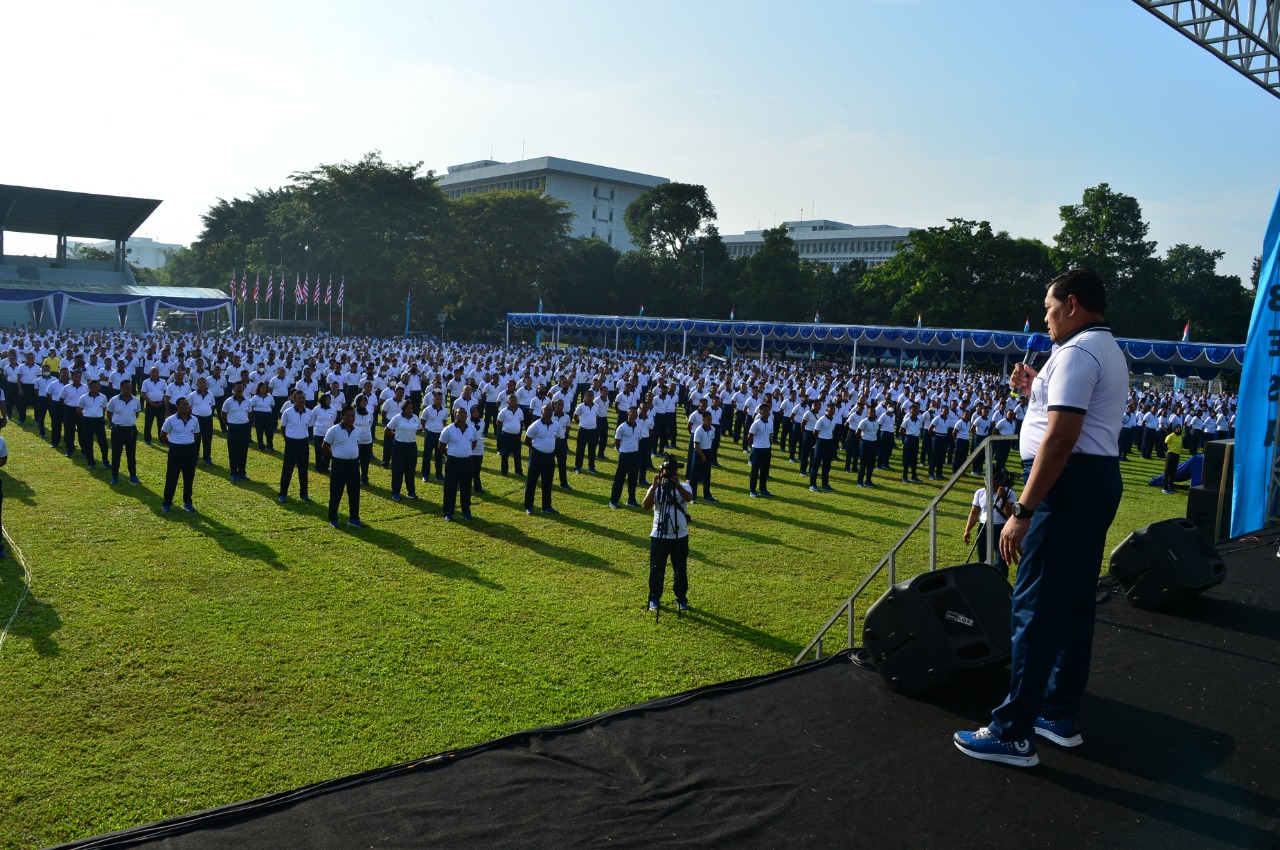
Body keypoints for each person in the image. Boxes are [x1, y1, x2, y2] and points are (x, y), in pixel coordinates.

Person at [954, 269, 1126, 768]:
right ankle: (1058, 713)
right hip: (1091, 481)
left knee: (1033, 607)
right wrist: (1034, 388)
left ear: (1071, 305)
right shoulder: (1102, 347)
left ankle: (1012, 732)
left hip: (1065, 486)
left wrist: (1023, 511)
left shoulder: (1077, 352)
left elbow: (1061, 437)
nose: (1046, 318)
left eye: (1050, 308)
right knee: (1073, 603)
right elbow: (1067, 418)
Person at [643, 454, 694, 612]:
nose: (670, 474)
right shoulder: (656, 488)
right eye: (667, 471)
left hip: (680, 535)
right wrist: (654, 486)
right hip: (659, 534)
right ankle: (654, 597)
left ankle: (681, 598)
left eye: (673, 472)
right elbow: (645, 505)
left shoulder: (684, 486)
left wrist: (677, 486)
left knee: (680, 569)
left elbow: (689, 498)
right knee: (656, 569)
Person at [962, 467, 1017, 579]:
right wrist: (967, 530)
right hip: (983, 528)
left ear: (997, 479)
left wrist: (1003, 498)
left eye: (989, 477)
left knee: (1002, 561)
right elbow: (974, 513)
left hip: (1002, 528)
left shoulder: (1009, 493)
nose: (986, 480)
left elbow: (1011, 514)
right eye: (985, 477)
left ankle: (1000, 584)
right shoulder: (980, 493)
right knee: (982, 561)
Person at [324, 405, 365, 528]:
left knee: (354, 492)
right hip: (339, 465)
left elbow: (358, 445)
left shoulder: (358, 430)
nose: (351, 418)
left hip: (353, 465)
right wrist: (334, 457)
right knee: (336, 492)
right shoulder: (334, 430)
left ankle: (353, 518)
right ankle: (333, 518)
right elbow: (325, 446)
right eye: (348, 416)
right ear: (342, 416)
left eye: (353, 416)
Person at [159, 397, 199, 513]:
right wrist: (172, 445)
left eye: (187, 404)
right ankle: (167, 503)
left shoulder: (194, 420)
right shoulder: (170, 420)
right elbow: (163, 435)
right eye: (183, 405)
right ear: (177, 407)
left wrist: (188, 442)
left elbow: (196, 434)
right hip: (175, 450)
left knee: (189, 477)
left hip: (189, 450)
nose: (186, 407)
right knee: (172, 477)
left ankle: (188, 502)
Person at [438, 406, 477, 521]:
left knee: (466, 487)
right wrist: (451, 453)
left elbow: (474, 443)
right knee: (450, 487)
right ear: (455, 415)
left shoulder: (471, 429)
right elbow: (441, 446)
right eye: (460, 412)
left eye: (465, 413)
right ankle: (448, 512)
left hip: (467, 461)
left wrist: (466, 451)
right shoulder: (448, 429)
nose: (463, 414)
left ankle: (466, 511)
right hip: (453, 461)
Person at [278, 390, 314, 504]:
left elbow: (309, 426)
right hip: (291, 443)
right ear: (294, 399)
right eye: (299, 398)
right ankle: (283, 494)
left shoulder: (309, 412)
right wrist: (286, 438)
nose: (301, 400)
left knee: (303, 469)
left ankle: (304, 494)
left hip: (303, 443)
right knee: (287, 469)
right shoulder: (288, 412)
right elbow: (283, 427)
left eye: (303, 398)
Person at [523, 403, 559, 515]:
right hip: (537, 456)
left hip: (549, 457)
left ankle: (546, 506)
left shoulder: (556, 425)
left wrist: (550, 448)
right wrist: (537, 449)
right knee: (532, 481)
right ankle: (529, 506)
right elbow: (527, 440)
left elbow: (557, 439)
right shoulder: (535, 425)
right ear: (541, 412)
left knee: (547, 482)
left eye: (550, 410)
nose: (548, 412)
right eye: (546, 410)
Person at [384, 398, 422, 501]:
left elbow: (419, 429)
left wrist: (411, 434)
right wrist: (396, 434)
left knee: (410, 470)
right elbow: (387, 430)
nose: (410, 410)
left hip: (411, 446)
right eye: (408, 408)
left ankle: (411, 492)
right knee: (397, 470)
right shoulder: (397, 418)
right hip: (399, 446)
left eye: (411, 408)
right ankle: (396, 492)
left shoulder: (415, 418)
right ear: (404, 408)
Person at [105, 379, 142, 485]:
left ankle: (133, 476)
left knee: (131, 454)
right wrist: (116, 423)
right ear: (121, 388)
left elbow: (137, 413)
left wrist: (129, 421)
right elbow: (109, 414)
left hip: (131, 431)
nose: (129, 390)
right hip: (118, 430)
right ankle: (115, 476)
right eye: (126, 388)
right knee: (116, 454)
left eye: (130, 388)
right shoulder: (114, 400)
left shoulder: (136, 400)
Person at [610, 407, 642, 508]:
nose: (635, 415)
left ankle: (631, 500)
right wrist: (621, 451)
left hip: (635, 454)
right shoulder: (622, 427)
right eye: (632, 413)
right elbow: (617, 441)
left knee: (633, 478)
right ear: (628, 414)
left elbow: (638, 440)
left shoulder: (639, 427)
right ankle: (613, 500)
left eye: (636, 413)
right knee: (620, 478)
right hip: (624, 455)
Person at [221, 381, 253, 482]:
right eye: (237, 387)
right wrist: (229, 424)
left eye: (241, 387)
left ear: (243, 389)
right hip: (233, 428)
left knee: (243, 451)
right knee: (233, 451)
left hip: (244, 428)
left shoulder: (248, 401)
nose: (239, 389)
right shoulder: (228, 401)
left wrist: (244, 422)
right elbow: (223, 415)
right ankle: (234, 473)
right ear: (233, 389)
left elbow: (249, 414)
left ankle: (242, 473)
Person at [689, 410, 717, 503]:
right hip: (699, 452)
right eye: (708, 420)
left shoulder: (713, 429)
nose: (710, 421)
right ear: (703, 419)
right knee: (694, 475)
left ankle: (707, 495)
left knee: (707, 475)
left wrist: (708, 455)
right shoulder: (699, 430)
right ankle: (693, 496)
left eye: (711, 419)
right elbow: (696, 445)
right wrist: (702, 456)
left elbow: (711, 441)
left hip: (708, 451)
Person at [747, 400, 774, 497]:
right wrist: (753, 446)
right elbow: (750, 436)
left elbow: (770, 435)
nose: (766, 413)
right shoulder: (756, 423)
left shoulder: (770, 422)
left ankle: (763, 489)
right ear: (760, 412)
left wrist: (769, 446)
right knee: (755, 471)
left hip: (766, 449)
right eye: (764, 411)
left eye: (768, 411)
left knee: (765, 470)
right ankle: (752, 490)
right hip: (757, 449)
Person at [1162, 422, 1183, 495]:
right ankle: (1165, 488)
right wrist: (1168, 452)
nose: (1178, 429)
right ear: (1174, 428)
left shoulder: (1180, 437)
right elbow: (1165, 445)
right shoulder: (1170, 436)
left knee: (1173, 472)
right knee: (1167, 471)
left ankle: (1171, 486)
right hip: (1170, 454)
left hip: (1177, 455)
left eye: (1179, 428)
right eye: (1177, 428)